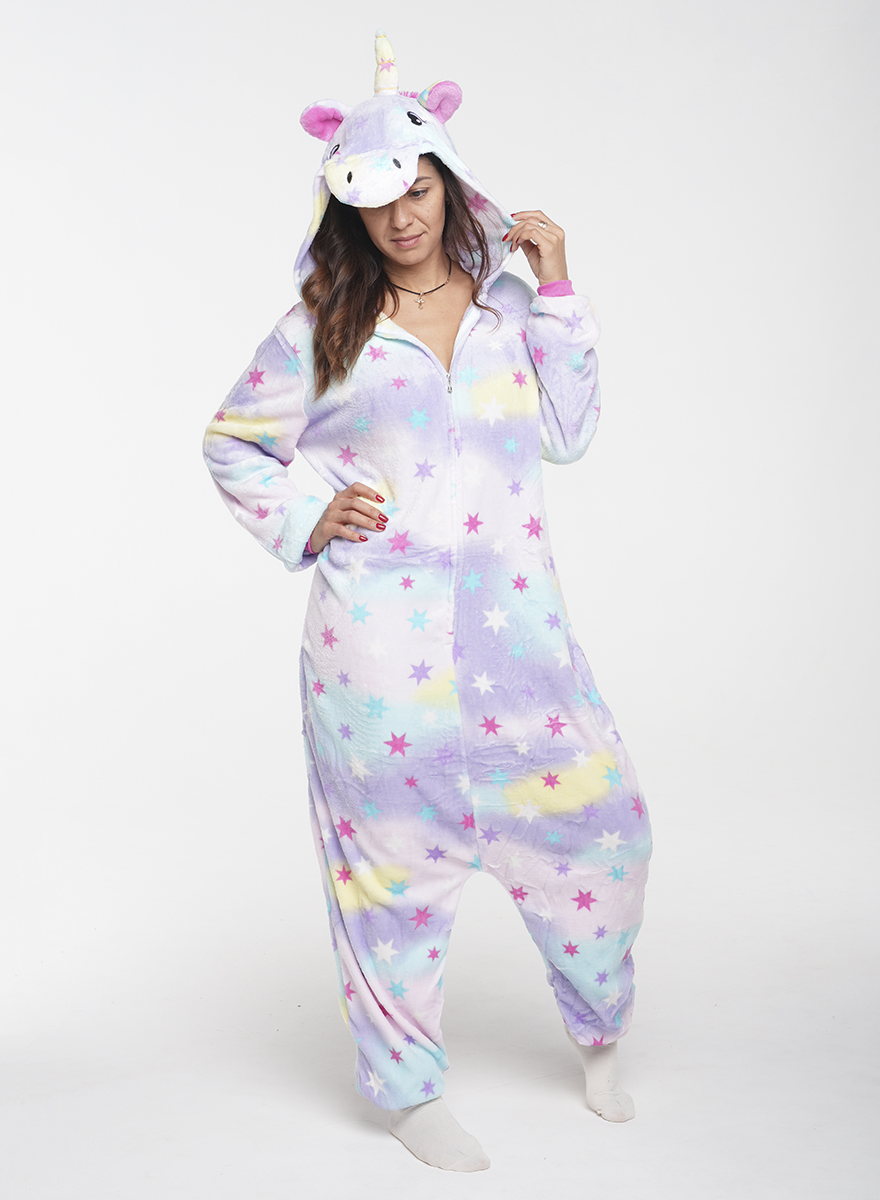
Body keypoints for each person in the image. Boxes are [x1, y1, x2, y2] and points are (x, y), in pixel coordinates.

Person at [203, 33, 651, 1173]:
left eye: (417, 189)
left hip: (521, 644)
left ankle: (600, 1033)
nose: (401, 217)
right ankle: (409, 1095)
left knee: (602, 828)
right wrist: (314, 515)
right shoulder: (324, 326)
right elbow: (235, 442)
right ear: (346, 209)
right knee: (389, 878)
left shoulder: (510, 306)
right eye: (376, 201)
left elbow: (570, 432)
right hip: (375, 658)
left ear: (449, 181)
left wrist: (558, 290)